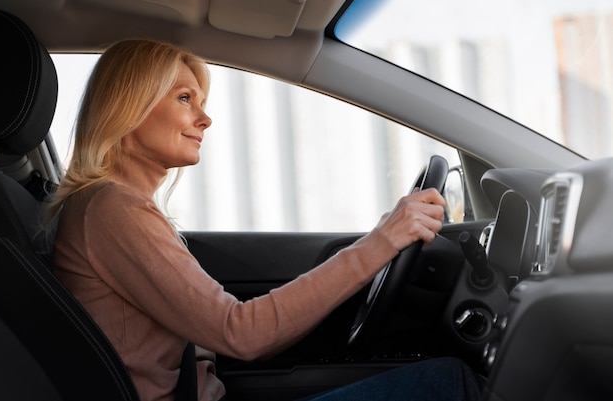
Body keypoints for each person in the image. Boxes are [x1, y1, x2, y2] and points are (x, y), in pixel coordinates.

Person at [48, 39, 483, 401]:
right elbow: (243, 333)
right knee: (449, 382)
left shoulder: (112, 207)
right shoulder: (113, 210)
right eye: (184, 98)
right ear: (130, 107)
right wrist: (381, 242)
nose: (206, 118)